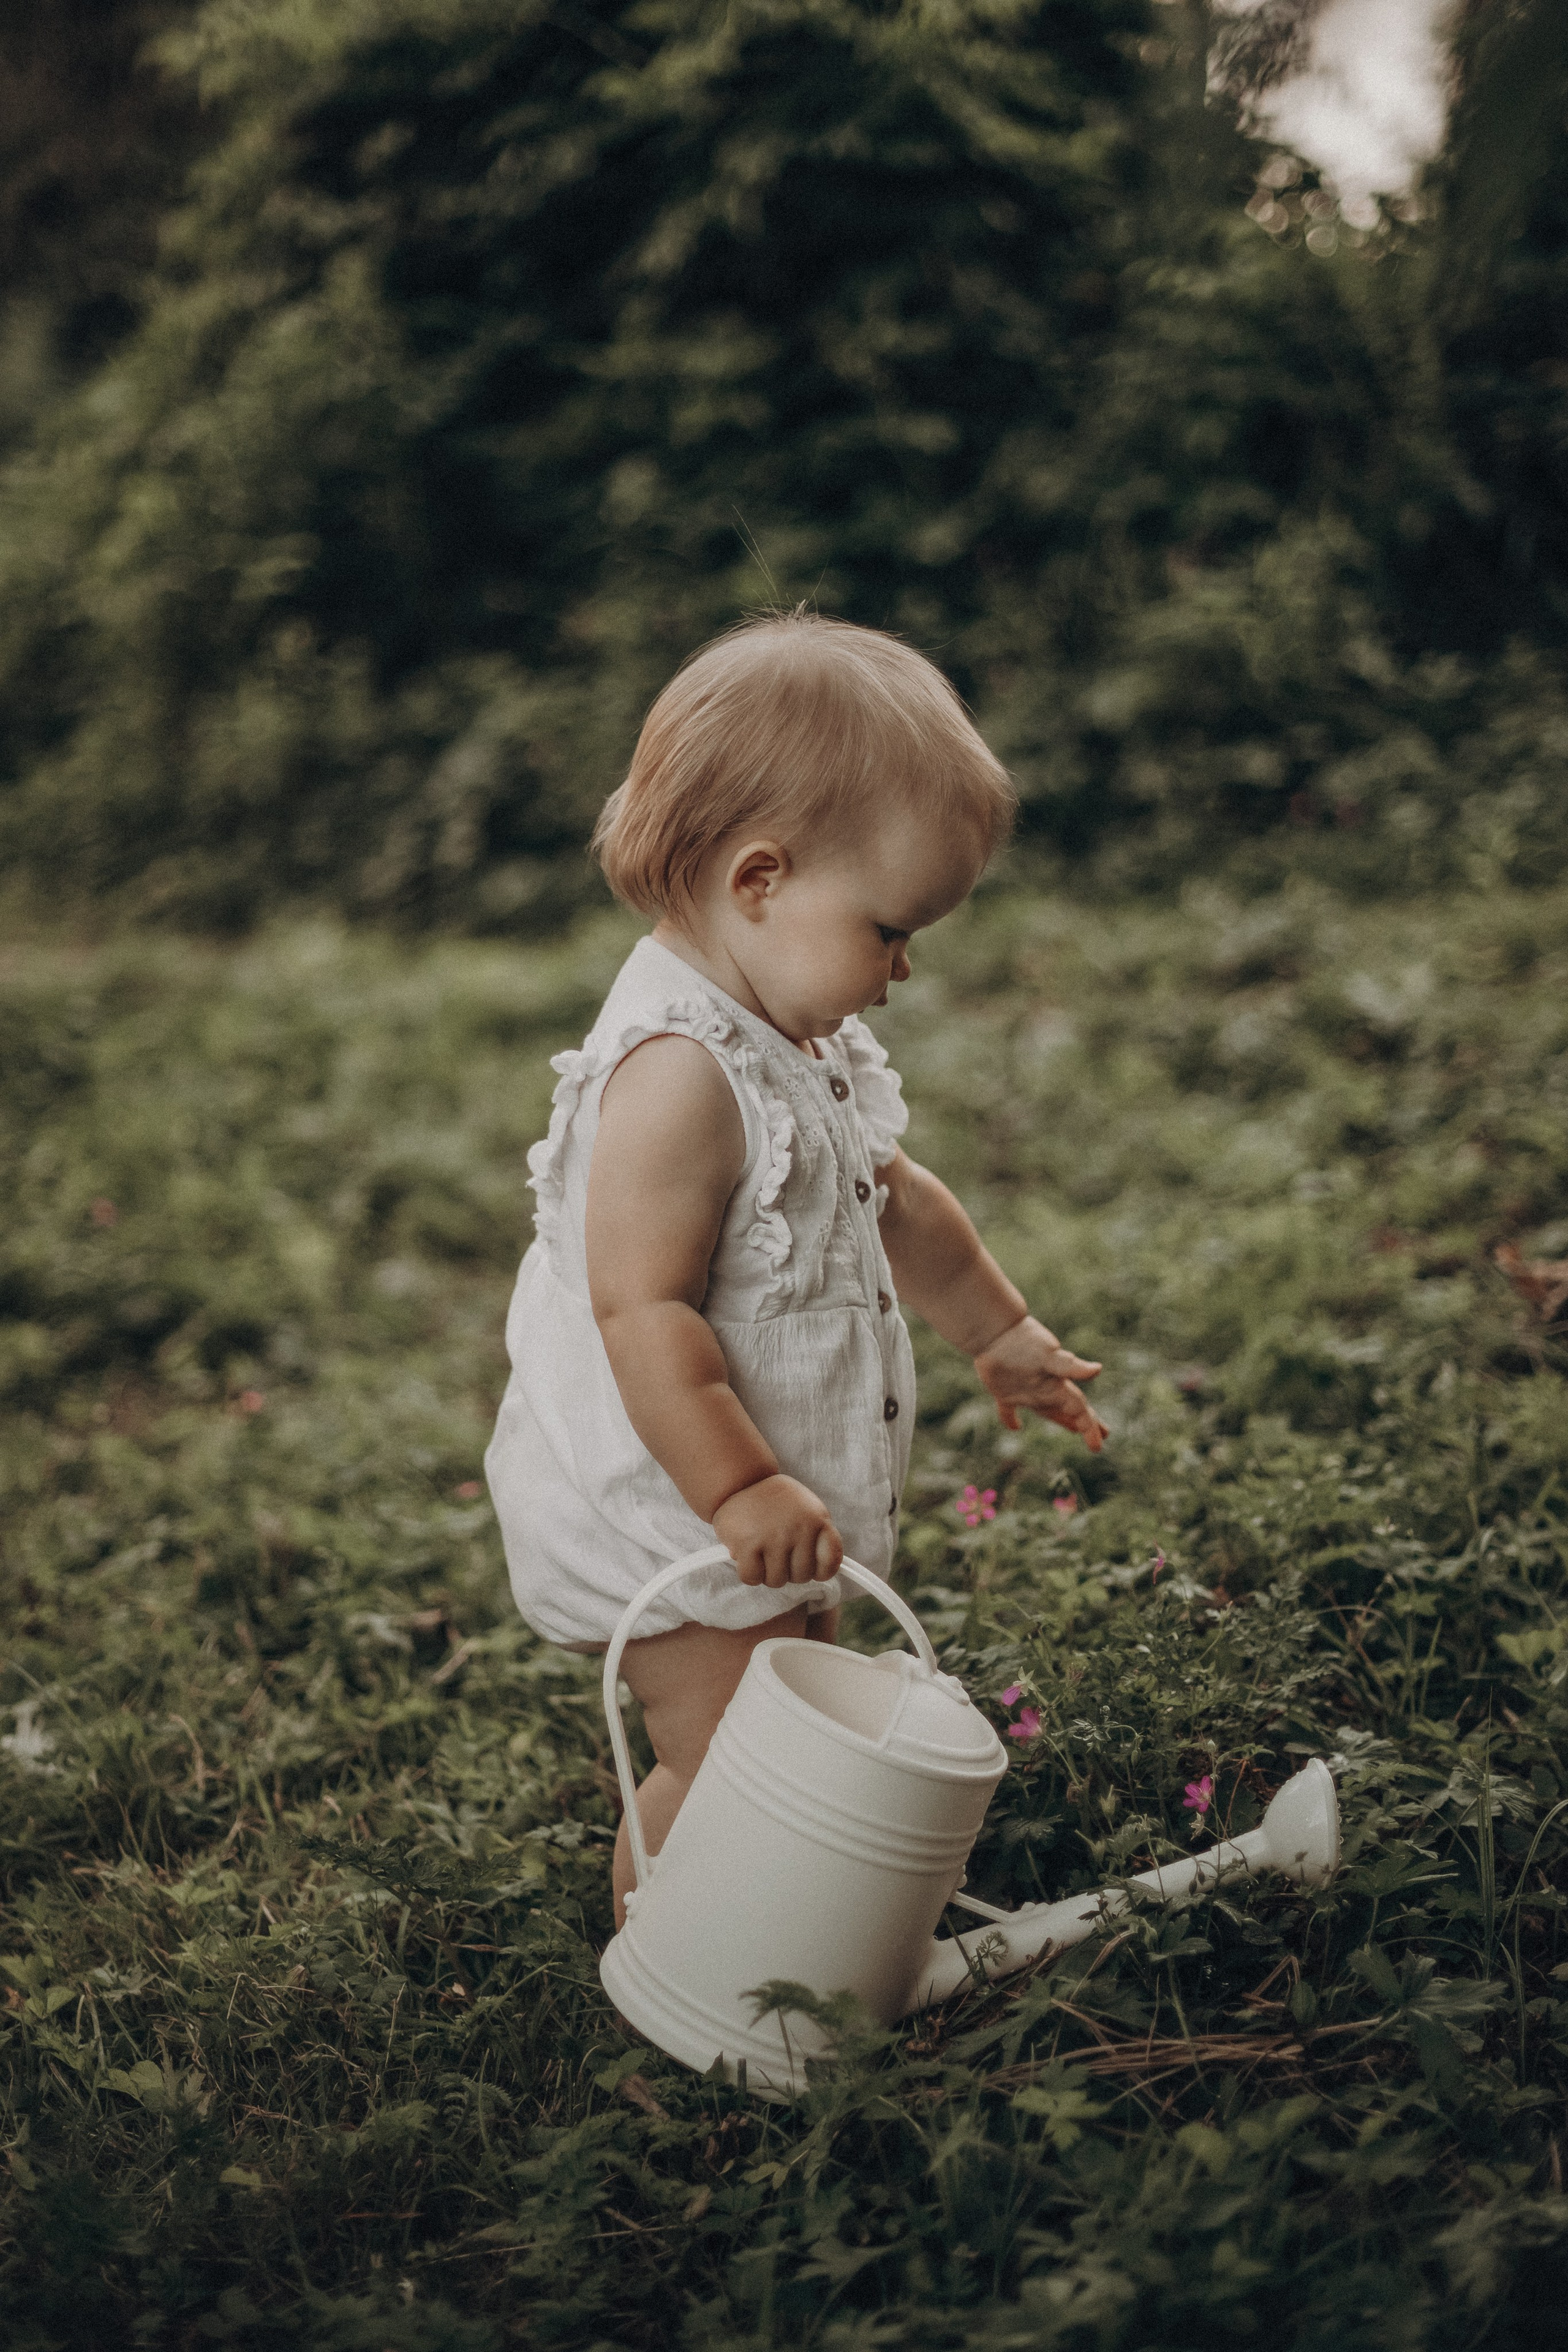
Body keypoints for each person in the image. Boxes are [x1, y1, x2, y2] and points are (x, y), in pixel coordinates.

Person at [484, 611, 1107, 1923]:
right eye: (888, 930)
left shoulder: (784, 1030)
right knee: (720, 1756)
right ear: (759, 880)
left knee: (788, 1692)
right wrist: (741, 1487)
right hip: (675, 1500)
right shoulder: (674, 1078)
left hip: (754, 1500)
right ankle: (667, 1968)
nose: (898, 972)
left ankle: (782, 1928)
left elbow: (890, 1198)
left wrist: (997, 1331)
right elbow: (635, 1307)